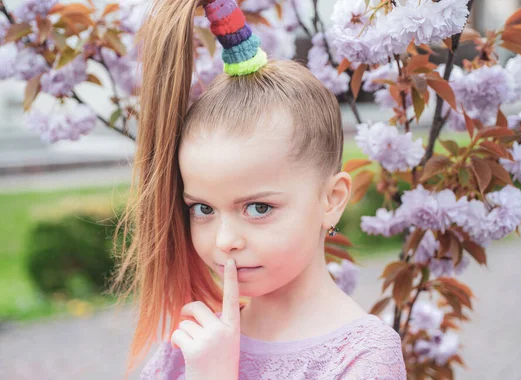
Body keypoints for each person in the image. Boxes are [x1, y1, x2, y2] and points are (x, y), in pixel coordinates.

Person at [109, 0, 407, 379]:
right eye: (202, 209)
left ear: (331, 200)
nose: (225, 240)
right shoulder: (196, 344)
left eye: (259, 208)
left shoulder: (362, 357)